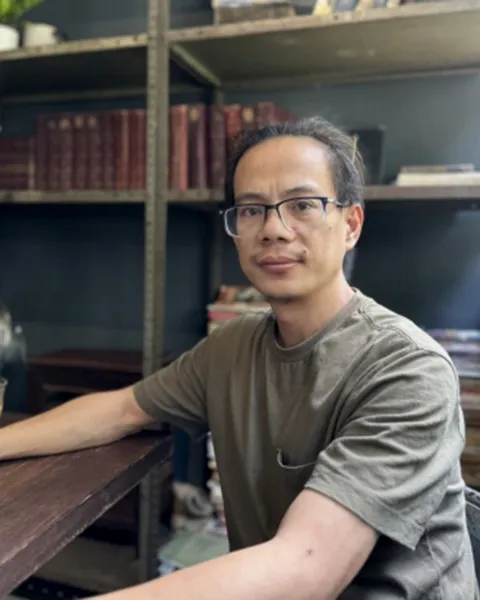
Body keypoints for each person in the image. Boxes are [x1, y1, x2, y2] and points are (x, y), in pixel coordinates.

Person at [0, 117, 477, 600]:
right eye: (251, 210)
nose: (273, 229)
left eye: (302, 205)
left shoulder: (407, 369)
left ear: (350, 224)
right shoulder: (232, 346)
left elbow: (307, 568)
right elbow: (122, 409)